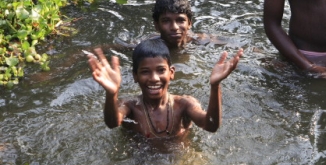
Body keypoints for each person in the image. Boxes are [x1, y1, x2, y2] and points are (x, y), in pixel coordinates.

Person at [87, 38, 243, 138]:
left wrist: (215, 86)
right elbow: (113, 123)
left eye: (161, 70)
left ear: (171, 73)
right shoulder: (130, 106)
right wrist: (111, 94)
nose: (154, 78)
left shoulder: (184, 104)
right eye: (145, 72)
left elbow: (210, 125)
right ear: (135, 76)